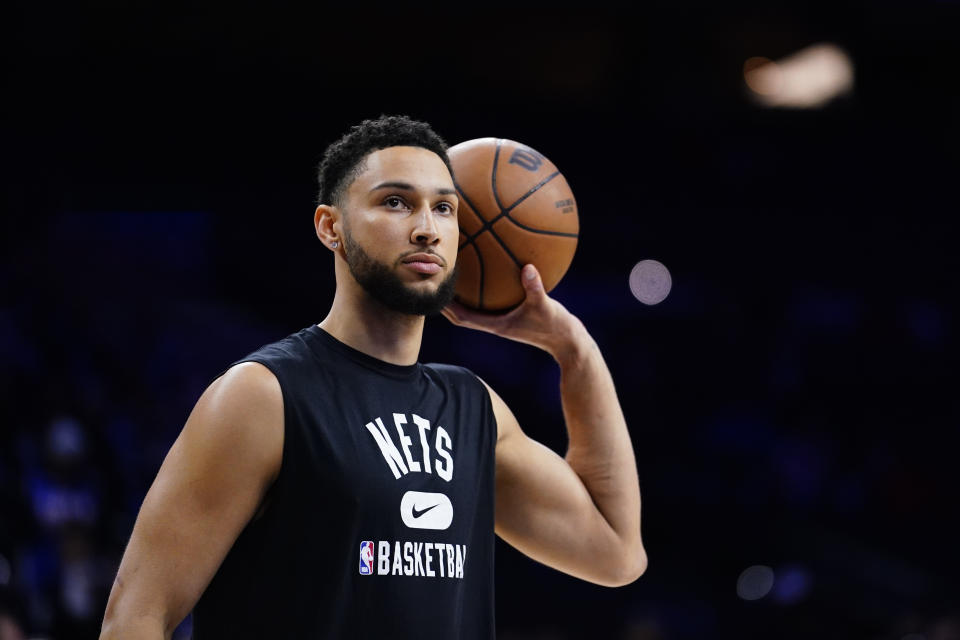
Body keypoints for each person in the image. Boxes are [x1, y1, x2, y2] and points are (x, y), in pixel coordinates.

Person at [99, 115, 646, 639]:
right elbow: (137, 616)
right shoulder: (264, 395)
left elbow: (616, 552)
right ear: (330, 227)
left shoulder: (473, 408)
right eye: (395, 202)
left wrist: (572, 349)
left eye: (445, 208)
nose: (426, 228)